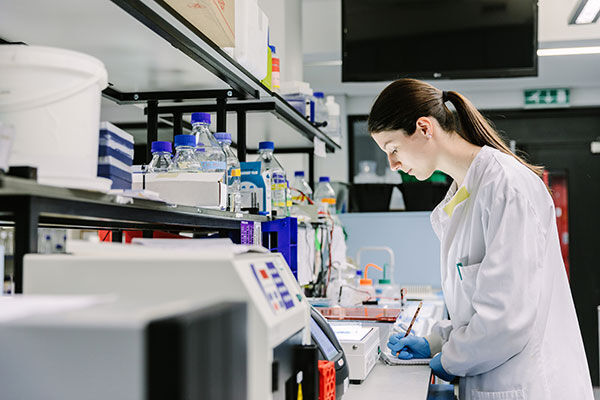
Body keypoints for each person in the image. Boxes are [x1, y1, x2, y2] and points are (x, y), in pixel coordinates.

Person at [368, 79, 594, 399]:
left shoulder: (505, 186)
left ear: (423, 128)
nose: (393, 165)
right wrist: (437, 342)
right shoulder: (465, 193)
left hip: (530, 386)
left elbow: (506, 317)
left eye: (392, 149)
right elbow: (477, 309)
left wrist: (447, 359)